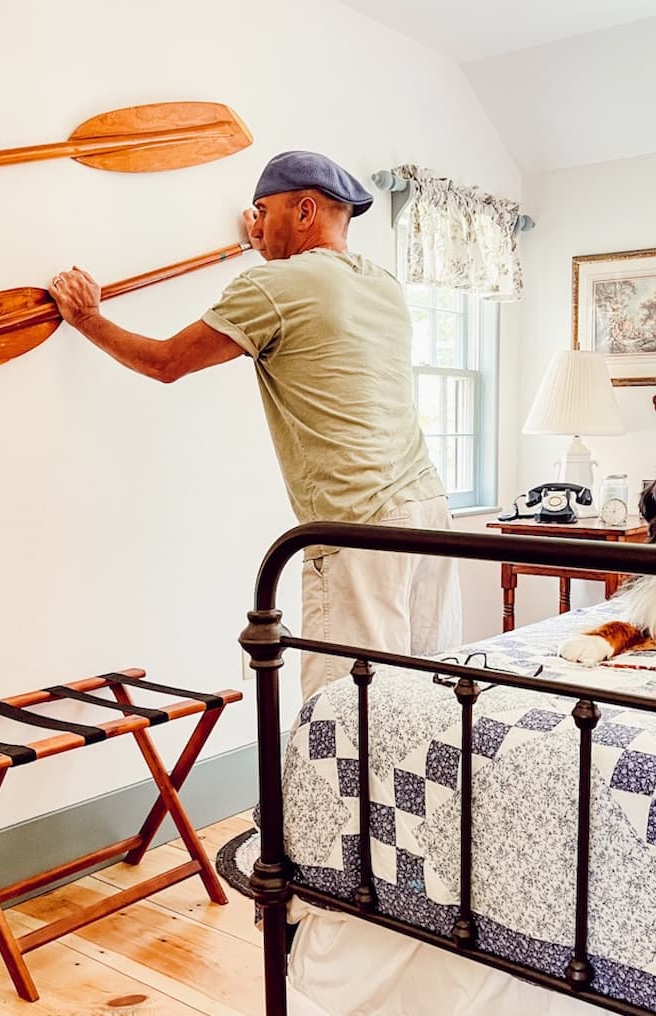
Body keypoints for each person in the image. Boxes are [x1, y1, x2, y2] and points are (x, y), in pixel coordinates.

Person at [49, 150, 461, 700]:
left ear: (306, 211)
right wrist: (269, 244)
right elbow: (304, 296)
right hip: (428, 513)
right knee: (422, 701)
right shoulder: (381, 283)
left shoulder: (274, 288)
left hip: (356, 525)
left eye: (263, 210)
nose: (257, 224)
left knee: (347, 712)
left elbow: (167, 362)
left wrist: (87, 318)